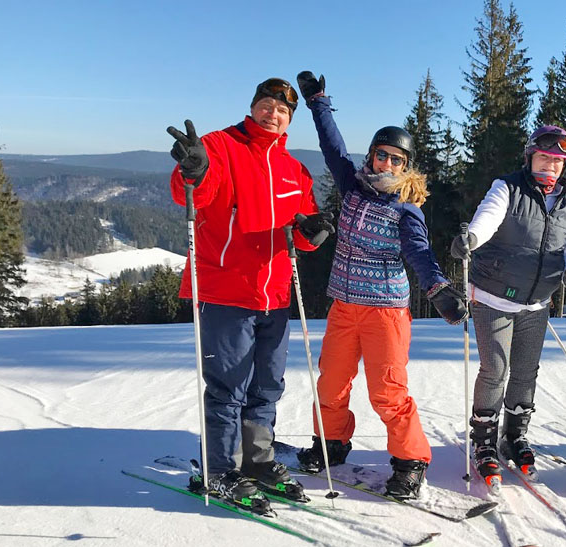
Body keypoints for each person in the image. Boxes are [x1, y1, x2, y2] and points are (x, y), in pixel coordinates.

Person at [291, 71, 467, 500]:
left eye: (396, 159)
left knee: (387, 392)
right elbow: (332, 147)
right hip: (343, 307)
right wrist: (319, 103)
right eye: (381, 155)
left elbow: (420, 254)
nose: (386, 164)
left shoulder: (405, 209)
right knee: (331, 384)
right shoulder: (353, 186)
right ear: (371, 156)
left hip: (385, 311)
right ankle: (331, 444)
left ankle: (410, 462)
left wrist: (438, 288)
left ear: (406, 167)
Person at [167, 77, 334, 511]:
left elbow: (304, 228)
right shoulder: (219, 146)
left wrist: (313, 233)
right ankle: (221, 470)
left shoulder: (294, 169)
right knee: (228, 387)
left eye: (281, 111)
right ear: (253, 107)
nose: (272, 114)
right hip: (226, 289)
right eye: (265, 105)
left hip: (275, 294)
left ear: (288, 121)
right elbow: (192, 193)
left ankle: (257, 461)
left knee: (267, 387)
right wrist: (194, 170)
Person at [450, 125, 566, 487]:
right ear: (530, 157)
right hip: (493, 295)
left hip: (536, 303)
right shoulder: (507, 187)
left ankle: (514, 435)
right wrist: (471, 239)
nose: (551, 166)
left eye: (558, 162)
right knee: (495, 369)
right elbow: (488, 218)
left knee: (525, 372)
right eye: (544, 158)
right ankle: (484, 441)